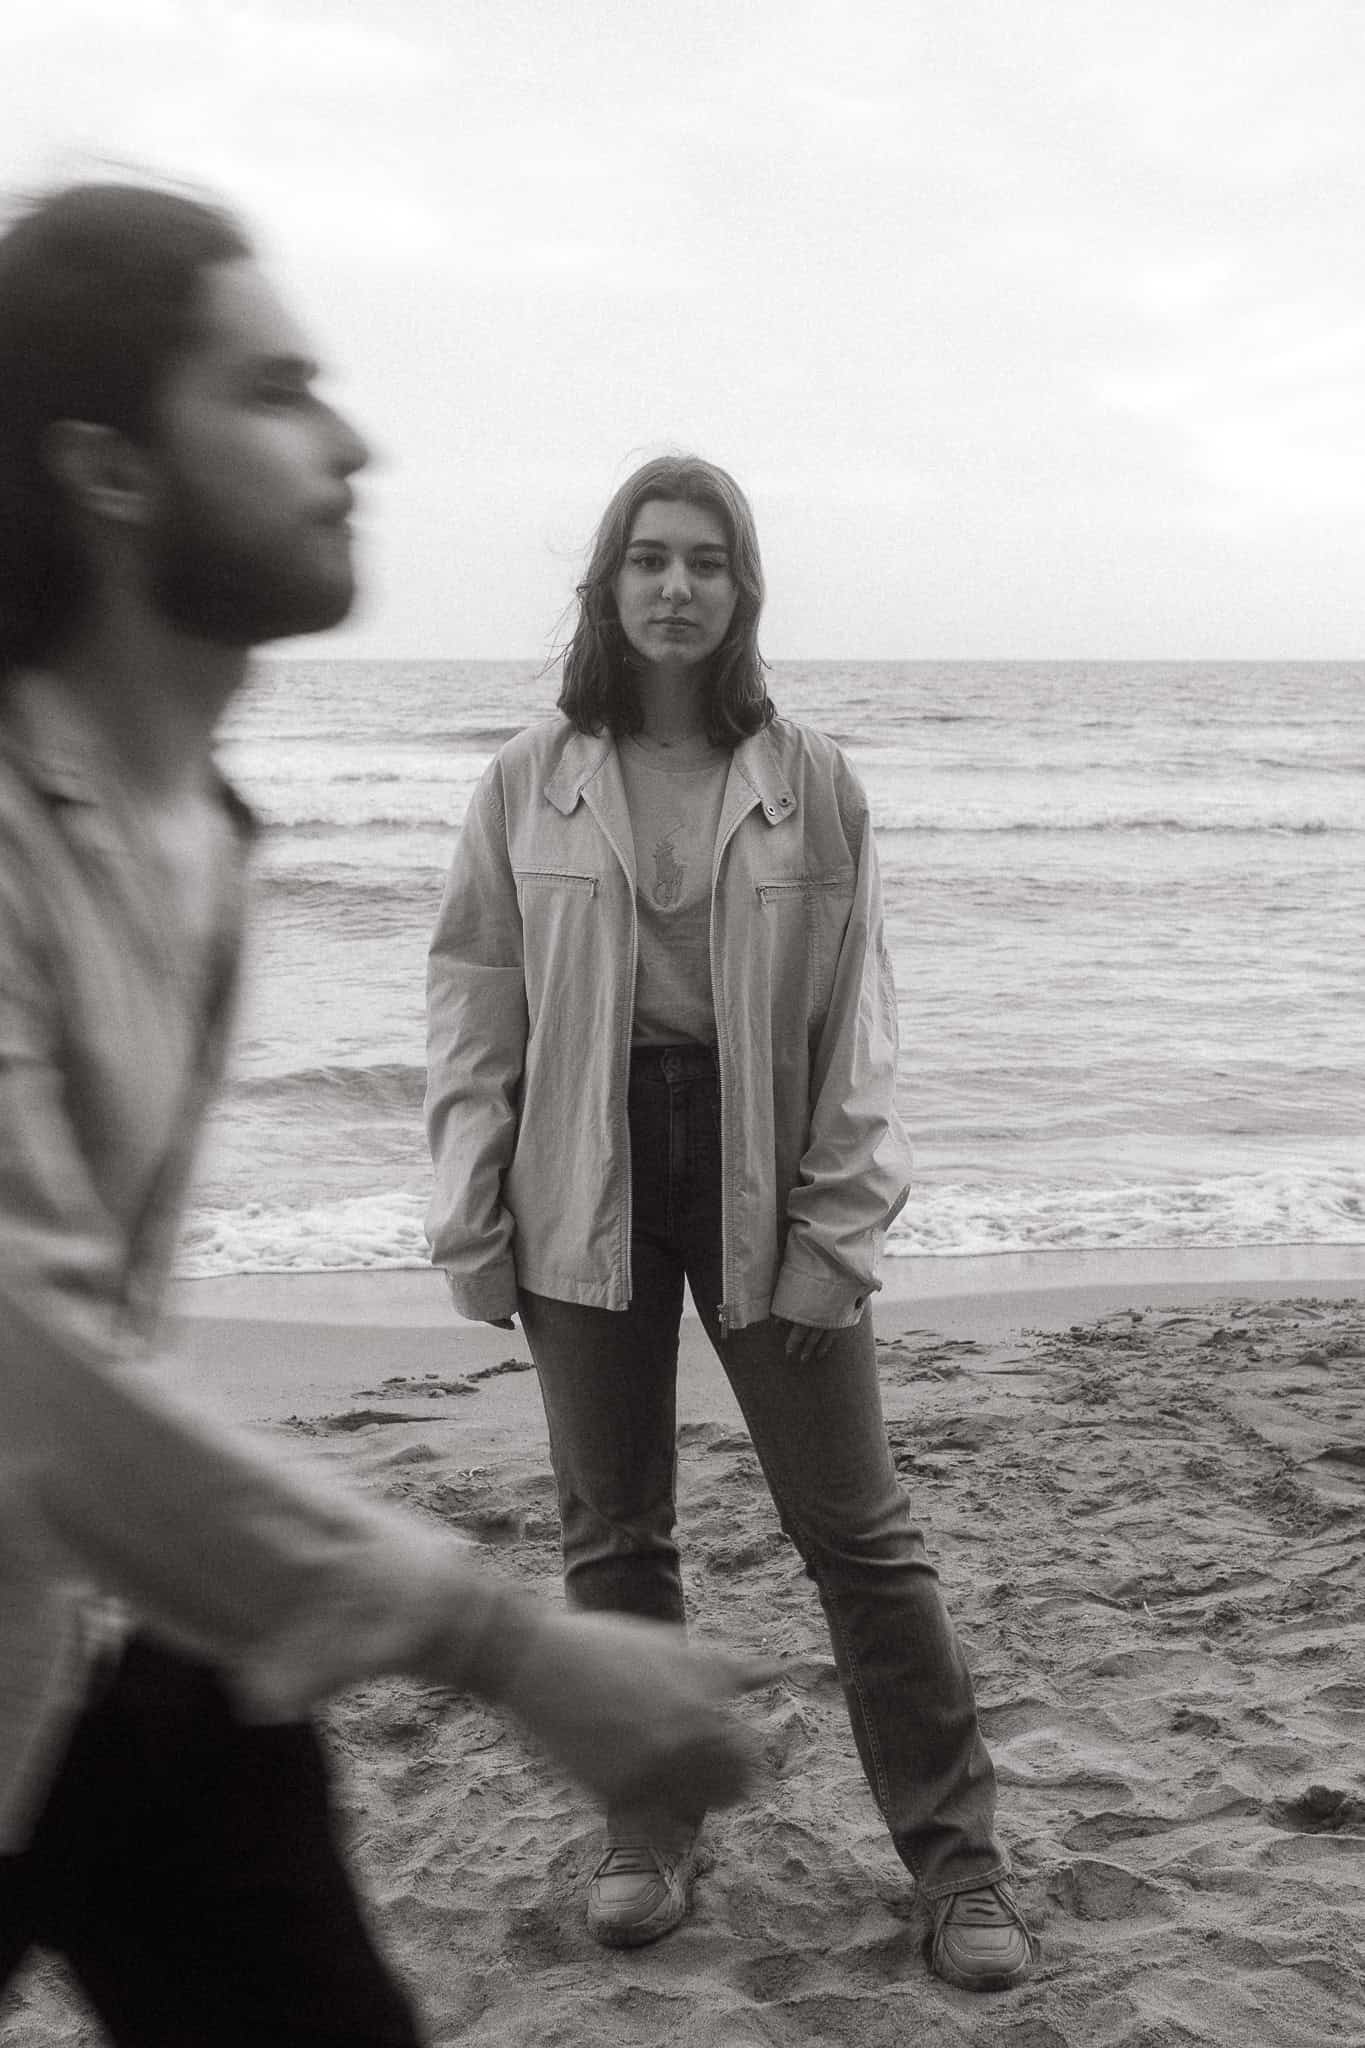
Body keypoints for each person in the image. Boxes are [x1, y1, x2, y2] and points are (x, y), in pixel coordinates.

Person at [0, 188, 767, 2048]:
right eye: (273, 392)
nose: (353, 441)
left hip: (97, 1635)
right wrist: (505, 1644)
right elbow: (23, 1369)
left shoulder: (202, 832)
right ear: (106, 469)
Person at [425, 455, 1035, 1991]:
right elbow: (472, 1004)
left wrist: (840, 1223)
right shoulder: (527, 776)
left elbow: (856, 1020)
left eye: (705, 561)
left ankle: (958, 1869)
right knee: (611, 1533)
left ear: (739, 590)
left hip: (762, 1165)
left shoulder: (810, 776)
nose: (676, 586)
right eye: (649, 560)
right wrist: (470, 1209)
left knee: (861, 1538)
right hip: (584, 1161)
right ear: (608, 585)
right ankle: (649, 1832)